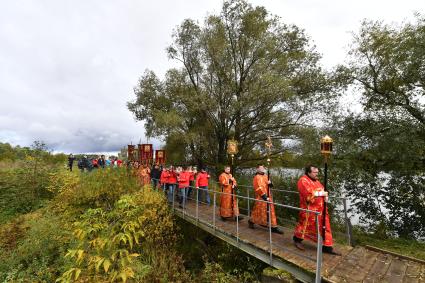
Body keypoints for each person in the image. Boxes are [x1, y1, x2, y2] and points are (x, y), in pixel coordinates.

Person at [293, 165, 340, 255]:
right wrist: (321, 193)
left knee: (325, 226)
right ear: (309, 172)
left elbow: (323, 190)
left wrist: (325, 196)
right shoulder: (303, 180)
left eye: (317, 172)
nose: (317, 174)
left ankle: (327, 247)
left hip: (321, 209)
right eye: (315, 172)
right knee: (305, 226)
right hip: (309, 210)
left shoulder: (317, 181)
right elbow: (308, 195)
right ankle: (297, 239)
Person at [248, 164, 283, 234]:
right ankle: (251, 221)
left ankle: (273, 227)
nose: (262, 169)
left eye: (263, 168)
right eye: (260, 168)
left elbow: (270, 185)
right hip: (261, 197)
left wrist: (270, 183)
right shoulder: (256, 177)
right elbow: (257, 187)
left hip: (268, 196)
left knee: (271, 211)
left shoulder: (266, 176)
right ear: (257, 169)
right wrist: (264, 196)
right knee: (258, 210)